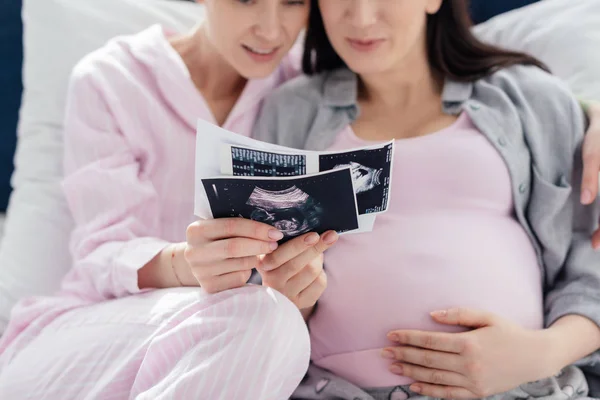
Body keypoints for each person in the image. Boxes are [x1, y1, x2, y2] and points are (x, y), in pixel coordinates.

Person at [0, 0, 599, 399]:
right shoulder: (284, 102)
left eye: (289, 1)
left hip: (518, 383)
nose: (360, 16)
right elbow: (252, 284)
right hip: (284, 370)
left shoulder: (524, 99)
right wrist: (254, 284)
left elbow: (590, 250)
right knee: (262, 321)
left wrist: (542, 353)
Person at [253, 0, 600, 399]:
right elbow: (266, 293)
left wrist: (543, 353)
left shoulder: (532, 99)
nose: (362, 18)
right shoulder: (290, 111)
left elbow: (591, 261)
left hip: (525, 387)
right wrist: (289, 295)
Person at [0, 1, 339, 399]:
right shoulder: (113, 79)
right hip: (92, 331)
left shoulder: (308, 91)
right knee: (264, 319)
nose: (270, 29)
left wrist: (297, 292)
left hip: (233, 340)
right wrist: (187, 265)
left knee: (274, 321)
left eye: (292, 2)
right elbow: (100, 255)